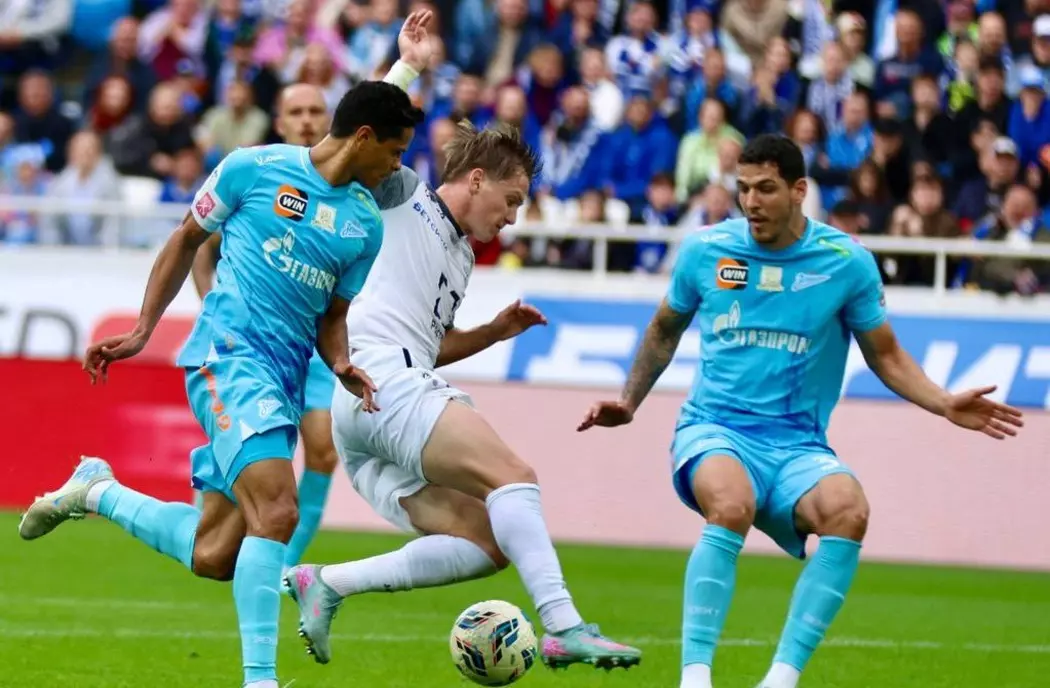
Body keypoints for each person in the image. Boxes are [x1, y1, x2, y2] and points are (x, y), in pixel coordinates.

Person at [17, 15, 429, 688]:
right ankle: (259, 680)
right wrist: (144, 329)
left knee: (215, 552)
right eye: (395, 150)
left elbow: (333, 316)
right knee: (279, 510)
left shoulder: (362, 224)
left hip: (285, 379)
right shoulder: (252, 169)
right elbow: (186, 239)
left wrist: (341, 362)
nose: (398, 164)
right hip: (228, 358)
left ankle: (98, 491)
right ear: (363, 138)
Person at [576, 134, 1025, 688]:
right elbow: (664, 328)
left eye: (765, 188)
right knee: (731, 504)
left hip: (798, 446)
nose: (751, 202)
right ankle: (695, 678)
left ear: (799, 190)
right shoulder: (704, 251)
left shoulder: (846, 263)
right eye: (743, 189)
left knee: (848, 510)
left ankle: (780, 680)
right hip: (715, 429)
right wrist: (629, 401)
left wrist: (943, 402)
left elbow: (885, 355)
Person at [282, 22, 642, 673]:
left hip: (370, 408)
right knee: (515, 478)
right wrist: (408, 67)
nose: (512, 217)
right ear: (476, 180)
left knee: (487, 540)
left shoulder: (461, 255)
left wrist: (493, 333)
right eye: (511, 200)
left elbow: (432, 345)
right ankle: (564, 627)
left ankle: (327, 582)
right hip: (381, 382)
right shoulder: (405, 196)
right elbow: (360, 134)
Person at [192, 81, 340, 576]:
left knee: (323, 451)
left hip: (315, 346)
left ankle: (284, 568)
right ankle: (222, 509)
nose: (306, 120)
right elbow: (199, 246)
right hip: (252, 344)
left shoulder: (349, 185)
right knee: (217, 544)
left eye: (315, 110)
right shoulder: (259, 171)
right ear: (279, 123)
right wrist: (213, 306)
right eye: (296, 112)